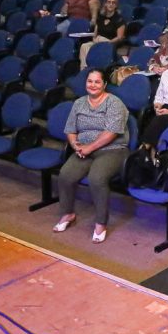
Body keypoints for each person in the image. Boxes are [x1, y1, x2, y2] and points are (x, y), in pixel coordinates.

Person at [53, 69, 129, 244]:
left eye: (97, 82)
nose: (93, 85)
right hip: (84, 149)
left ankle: (101, 223)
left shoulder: (114, 103)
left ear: (104, 84)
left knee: (97, 178)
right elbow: (70, 129)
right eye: (90, 81)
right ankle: (67, 214)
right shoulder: (79, 103)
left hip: (113, 149)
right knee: (66, 175)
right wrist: (75, 144)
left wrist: (89, 148)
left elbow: (111, 133)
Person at [79, 0, 125, 68]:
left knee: (100, 41)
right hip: (98, 41)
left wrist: (108, 42)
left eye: (113, 3)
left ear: (116, 5)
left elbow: (119, 37)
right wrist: (95, 40)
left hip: (109, 42)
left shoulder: (119, 19)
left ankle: (93, 67)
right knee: (84, 46)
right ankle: (85, 68)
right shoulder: (100, 17)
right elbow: (95, 33)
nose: (111, 4)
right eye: (109, 2)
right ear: (105, 4)